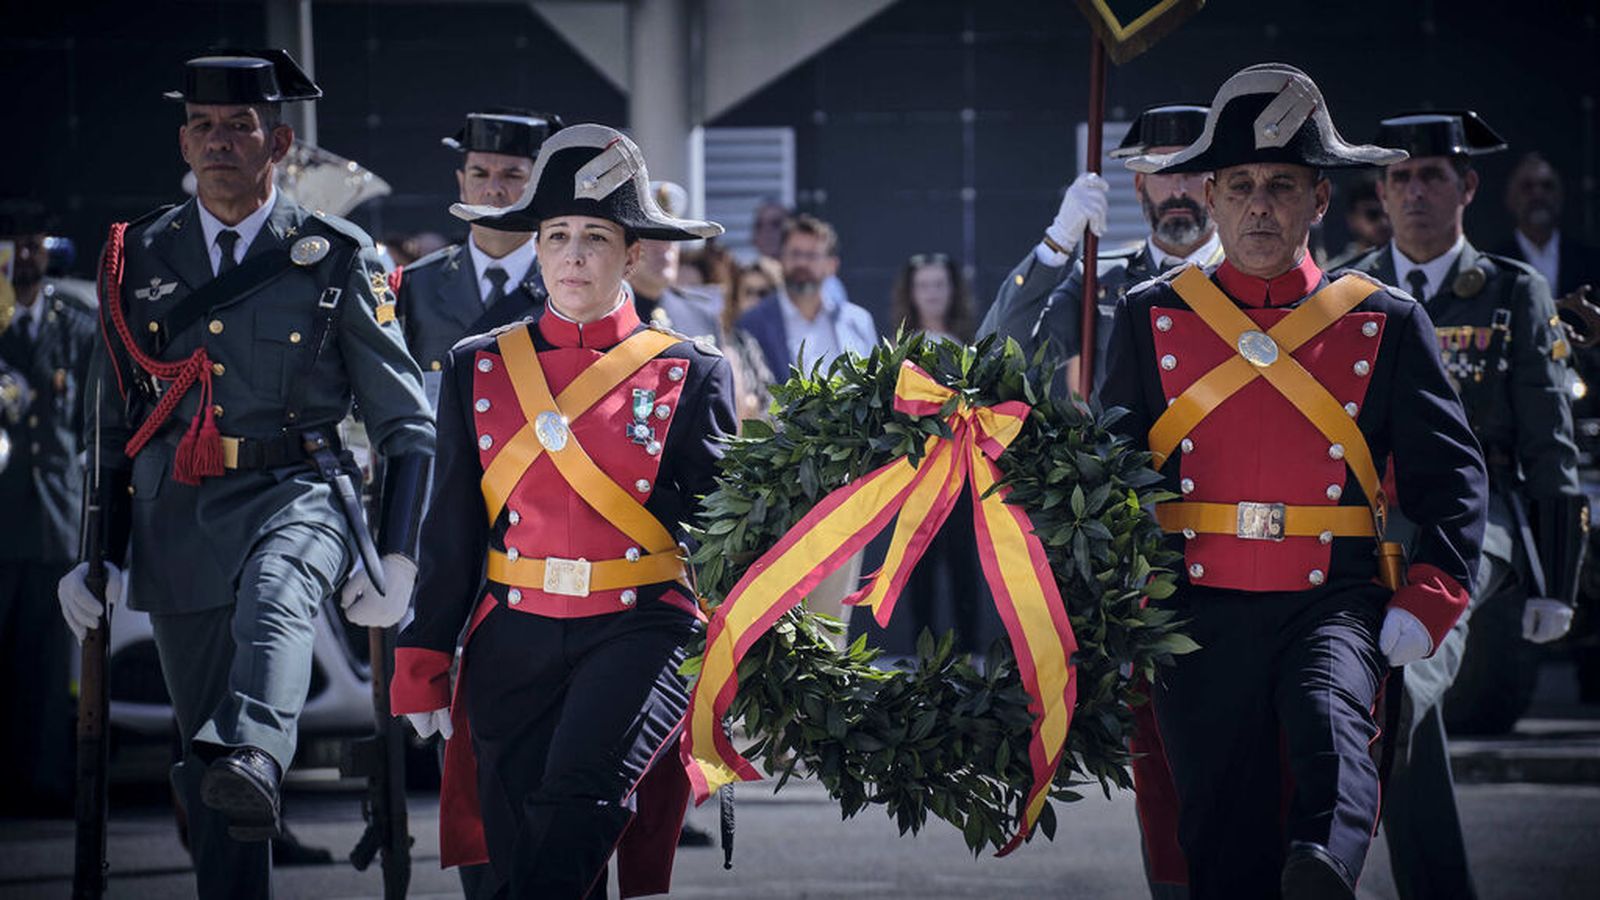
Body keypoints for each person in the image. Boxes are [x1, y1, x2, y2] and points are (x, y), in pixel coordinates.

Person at [54, 50, 434, 899]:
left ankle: (260, 744)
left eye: (239, 125)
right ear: (182, 142)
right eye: (201, 126)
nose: (218, 140)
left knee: (276, 595)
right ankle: (239, 781)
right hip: (174, 518)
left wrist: (397, 557)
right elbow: (113, 424)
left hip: (296, 492)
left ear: (279, 141)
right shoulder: (135, 254)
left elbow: (406, 420)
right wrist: (98, 553)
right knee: (209, 771)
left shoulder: (335, 254)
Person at [1104, 63, 1488, 898]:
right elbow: (1110, 471)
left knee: (1332, 730)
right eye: (1239, 185)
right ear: (1209, 197)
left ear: (1319, 200)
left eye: (1281, 185)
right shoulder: (1147, 314)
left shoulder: (1384, 318)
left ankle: (1322, 872)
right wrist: (1111, 596)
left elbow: (1453, 477)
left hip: (1333, 597)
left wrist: (1428, 603)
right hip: (1192, 607)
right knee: (1216, 833)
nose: (1258, 205)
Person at [390, 123, 736, 898]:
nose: (574, 254)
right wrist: (423, 659)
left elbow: (721, 531)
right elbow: (450, 528)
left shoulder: (693, 370)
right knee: (509, 839)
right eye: (557, 235)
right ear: (536, 248)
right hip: (512, 626)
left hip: (642, 623)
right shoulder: (475, 364)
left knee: (582, 799)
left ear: (633, 253)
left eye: (595, 236)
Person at [1340, 111, 1585, 899]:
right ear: (1380, 190)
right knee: (1404, 699)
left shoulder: (1515, 291)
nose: (1415, 191)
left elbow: (1551, 443)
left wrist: (1559, 582)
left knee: (1408, 672)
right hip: (1372, 521)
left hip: (1484, 521)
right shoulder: (1346, 290)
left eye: (1432, 176)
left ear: (1467, 187)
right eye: (1400, 178)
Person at [979, 104, 1221, 395]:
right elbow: (1000, 359)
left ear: (1215, 187)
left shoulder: (1247, 277)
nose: (1178, 189)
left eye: (1192, 171)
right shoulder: (1100, 279)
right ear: (1138, 185)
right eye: (1162, 171)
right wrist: (1057, 241)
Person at [0, 199, 97, 816]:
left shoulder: (72, 323)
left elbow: (90, 421)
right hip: (4, 516)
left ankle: (46, 781)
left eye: (33, 242)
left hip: (54, 517)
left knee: (48, 662)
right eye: (13, 245)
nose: (25, 255)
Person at [396, 109, 564, 388]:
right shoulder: (418, 284)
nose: (493, 188)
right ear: (462, 184)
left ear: (540, 186)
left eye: (512, 175)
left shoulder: (572, 281)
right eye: (479, 173)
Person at [737, 213, 876, 378]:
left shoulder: (859, 321)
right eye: (795, 253)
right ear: (781, 258)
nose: (802, 263)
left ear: (832, 265)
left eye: (812, 255)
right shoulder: (752, 323)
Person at [629, 180, 724, 342]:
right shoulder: (609, 314)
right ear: (629, 245)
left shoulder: (700, 313)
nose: (665, 246)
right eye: (654, 236)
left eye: (673, 236)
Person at [1496, 151, 1600, 297]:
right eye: (1527, 187)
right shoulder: (1495, 265)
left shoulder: (1591, 262)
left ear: (1560, 195)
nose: (1538, 195)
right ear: (1510, 197)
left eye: (1547, 186)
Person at [889, 252, 975, 342]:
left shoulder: (973, 343)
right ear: (910, 293)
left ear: (954, 290)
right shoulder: (899, 347)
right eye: (923, 286)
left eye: (939, 284)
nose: (932, 292)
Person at [1327, 173, 1391, 266]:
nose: (1383, 222)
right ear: (1352, 219)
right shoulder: (1337, 273)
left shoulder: (1411, 266)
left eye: (1388, 214)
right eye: (1372, 214)